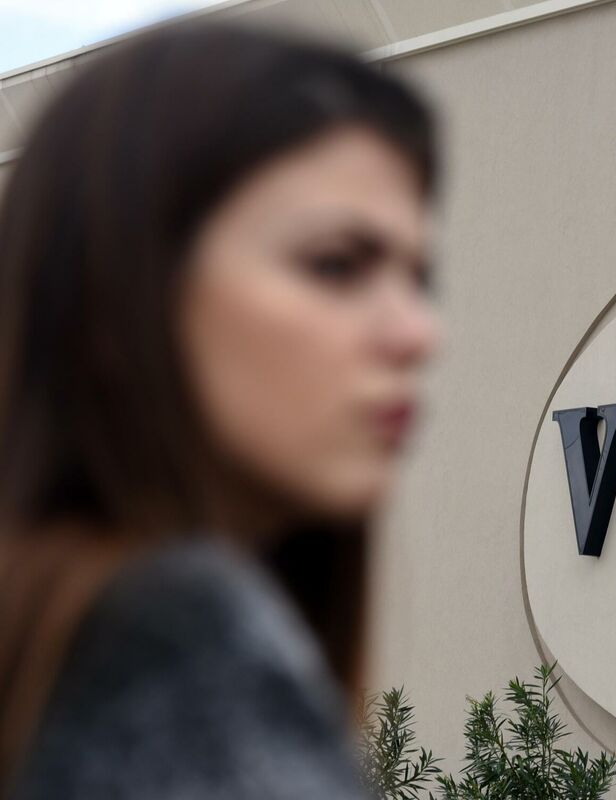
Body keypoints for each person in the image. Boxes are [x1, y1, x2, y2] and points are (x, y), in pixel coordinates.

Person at [0, 19, 440, 799]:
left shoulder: (56, 641)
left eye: (418, 280)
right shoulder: (171, 644)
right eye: (337, 266)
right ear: (124, 296)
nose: (418, 333)